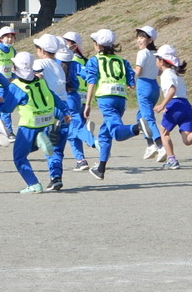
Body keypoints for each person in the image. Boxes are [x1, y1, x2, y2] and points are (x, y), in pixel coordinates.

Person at [82, 29, 153, 180]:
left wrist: (87, 104)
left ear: (99, 45)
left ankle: (137, 128)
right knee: (104, 134)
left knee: (115, 132)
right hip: (121, 98)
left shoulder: (95, 60)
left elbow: (91, 82)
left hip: (105, 98)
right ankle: (100, 168)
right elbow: (131, 83)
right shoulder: (122, 61)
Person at [0, 51, 70, 193]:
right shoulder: (41, 81)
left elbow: (7, 109)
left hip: (29, 124)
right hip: (46, 121)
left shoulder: (16, 86)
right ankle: (38, 142)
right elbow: (55, 97)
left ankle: (34, 184)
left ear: (16, 68)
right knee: (26, 149)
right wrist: (65, 112)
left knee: (19, 157)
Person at [152, 45, 192, 170]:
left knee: (163, 133)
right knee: (187, 139)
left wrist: (162, 105)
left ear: (162, 60)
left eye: (157, 58)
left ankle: (171, 160)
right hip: (186, 106)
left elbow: (172, 90)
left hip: (175, 105)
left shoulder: (166, 74)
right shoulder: (176, 75)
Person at [32, 34, 70, 190]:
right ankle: (56, 177)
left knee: (48, 144)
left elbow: (37, 77)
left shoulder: (39, 62)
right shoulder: (58, 66)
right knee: (58, 146)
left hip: (49, 107)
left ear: (41, 50)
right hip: (64, 106)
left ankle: (54, 176)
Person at [57, 41, 95, 172]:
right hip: (75, 97)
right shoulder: (75, 63)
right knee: (72, 131)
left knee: (76, 127)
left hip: (63, 99)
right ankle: (80, 160)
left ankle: (94, 141)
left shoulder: (54, 63)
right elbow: (89, 75)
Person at [133, 26, 166, 162]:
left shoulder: (142, 53)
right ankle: (150, 144)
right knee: (140, 117)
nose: (139, 41)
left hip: (144, 85)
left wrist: (129, 78)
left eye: (142, 37)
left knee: (148, 119)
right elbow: (159, 71)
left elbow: (138, 71)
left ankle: (160, 146)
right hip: (154, 85)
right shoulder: (157, 54)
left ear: (150, 39)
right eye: (138, 37)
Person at [0, 26, 17, 140]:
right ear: (1, 38)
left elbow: (15, 67)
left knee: (4, 108)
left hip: (7, 85)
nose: (10, 39)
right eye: (7, 37)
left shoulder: (13, 51)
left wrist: (13, 77)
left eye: (12, 37)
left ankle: (5, 131)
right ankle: (7, 132)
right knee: (2, 108)